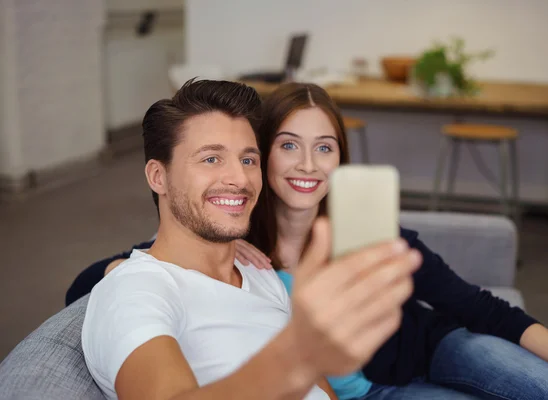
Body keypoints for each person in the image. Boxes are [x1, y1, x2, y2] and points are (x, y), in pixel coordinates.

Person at [72, 82, 548, 400]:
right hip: (373, 390)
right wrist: (119, 266)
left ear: (341, 157)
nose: (307, 165)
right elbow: (110, 281)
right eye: (286, 147)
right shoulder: (235, 242)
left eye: (324, 147)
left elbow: (483, 309)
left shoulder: (359, 236)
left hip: (428, 347)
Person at [80, 79, 420, 400]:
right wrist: (295, 353)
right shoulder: (135, 290)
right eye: (211, 159)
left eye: (248, 159)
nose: (239, 178)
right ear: (158, 176)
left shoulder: (260, 275)